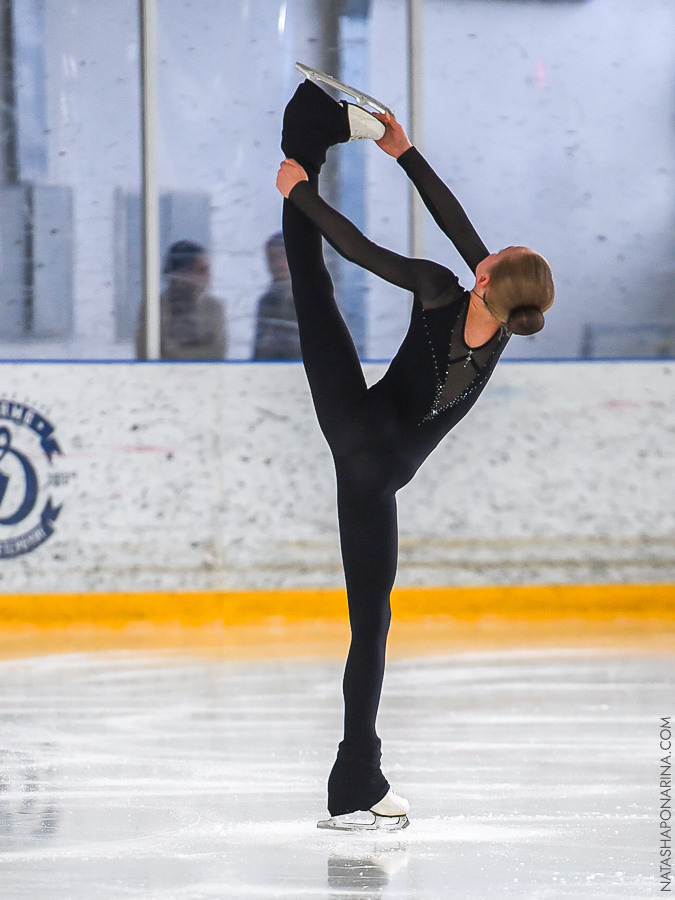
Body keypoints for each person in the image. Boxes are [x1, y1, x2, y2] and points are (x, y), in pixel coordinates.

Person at [276, 79, 554, 831]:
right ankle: (355, 782)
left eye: (498, 254)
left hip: (357, 436)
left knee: (314, 281)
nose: (489, 249)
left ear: (487, 277)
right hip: (383, 472)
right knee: (371, 627)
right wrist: (404, 153)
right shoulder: (505, 320)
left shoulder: (439, 289)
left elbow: (358, 250)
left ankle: (305, 142)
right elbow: (460, 225)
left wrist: (299, 194)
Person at [135, 240, 227, 360]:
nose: (208, 277)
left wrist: (171, 348)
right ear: (181, 273)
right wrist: (201, 343)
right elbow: (146, 353)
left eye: (207, 270)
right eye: (201, 270)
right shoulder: (154, 307)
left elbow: (217, 353)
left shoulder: (213, 307)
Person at [252, 232, 301, 360]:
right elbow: (259, 351)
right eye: (272, 259)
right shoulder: (266, 302)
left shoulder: (315, 299)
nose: (277, 265)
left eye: (282, 256)